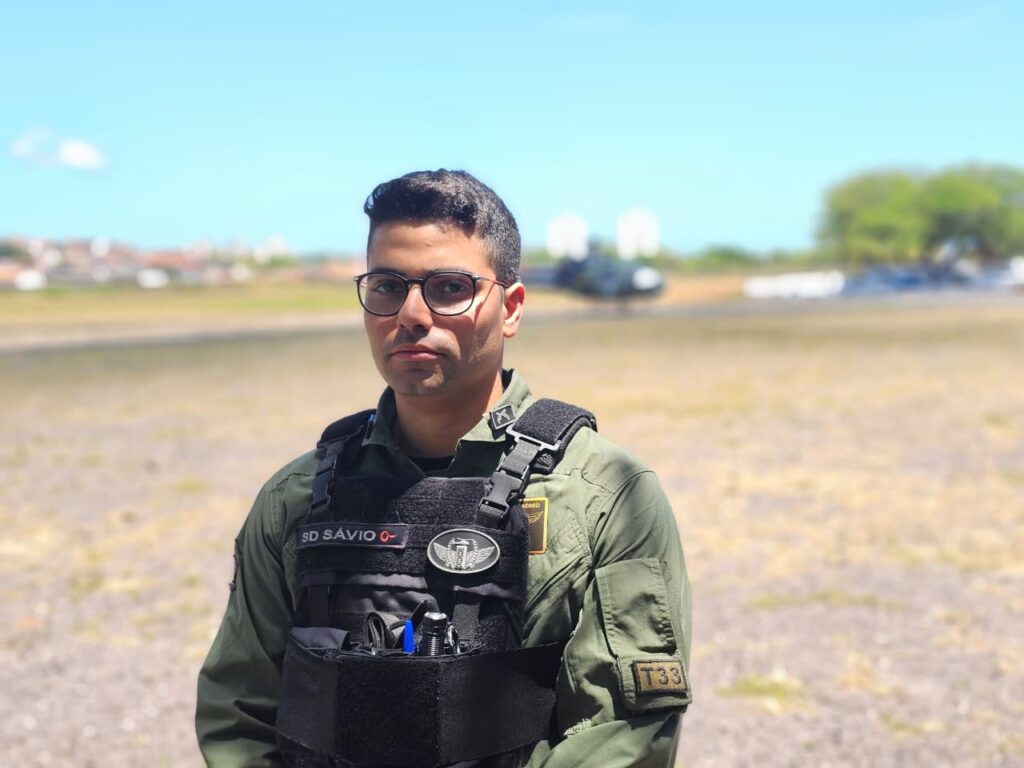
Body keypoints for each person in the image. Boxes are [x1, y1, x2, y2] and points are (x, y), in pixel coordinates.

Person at [196, 169, 692, 768]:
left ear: (510, 309)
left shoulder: (604, 496)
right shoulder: (295, 498)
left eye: (450, 287)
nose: (410, 313)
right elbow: (239, 711)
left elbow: (624, 735)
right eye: (387, 286)